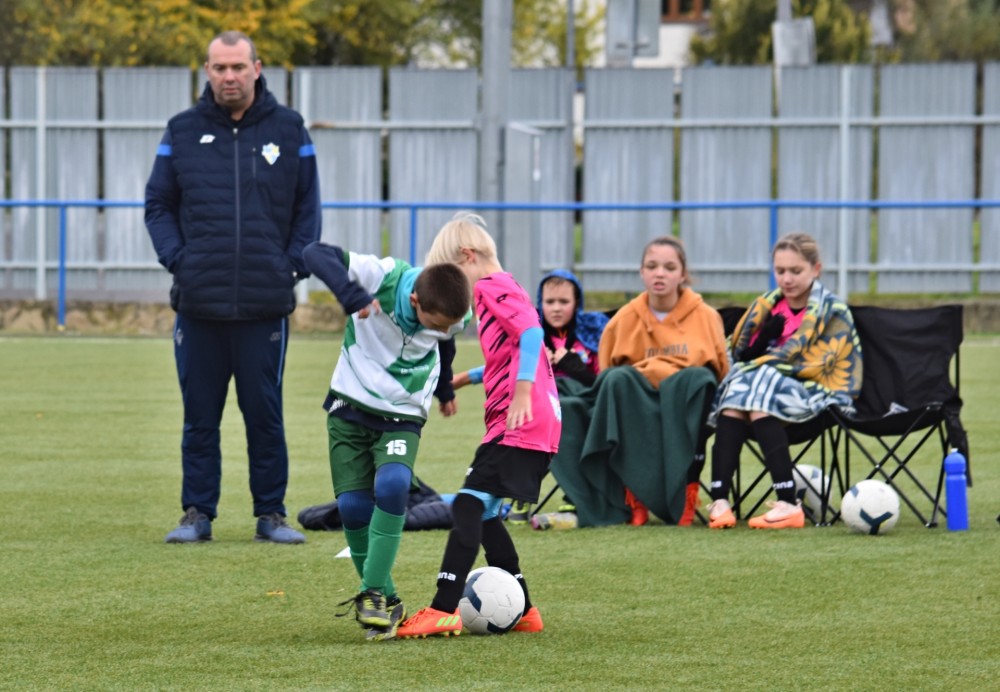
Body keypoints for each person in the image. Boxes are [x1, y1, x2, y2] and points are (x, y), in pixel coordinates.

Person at [145, 31, 320, 544]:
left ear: (257, 68)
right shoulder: (181, 130)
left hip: (265, 305)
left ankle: (271, 514)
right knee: (199, 417)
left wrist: (289, 267)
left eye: (238, 67)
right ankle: (197, 513)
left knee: (265, 414)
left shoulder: (289, 128)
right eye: (219, 67)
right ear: (207, 71)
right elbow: (158, 205)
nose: (229, 76)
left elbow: (308, 208)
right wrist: (180, 261)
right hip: (199, 303)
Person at [396, 212, 560, 638]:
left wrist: (521, 391)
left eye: (452, 273)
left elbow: (532, 337)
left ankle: (442, 608)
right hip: (538, 425)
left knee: (467, 506)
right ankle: (525, 609)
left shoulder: (490, 287)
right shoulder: (508, 287)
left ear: (467, 256)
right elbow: (508, 355)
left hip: (519, 421)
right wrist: (464, 379)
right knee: (484, 513)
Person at [302, 241, 471, 641]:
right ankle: (389, 600)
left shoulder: (454, 315)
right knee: (352, 507)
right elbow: (314, 253)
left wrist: (445, 388)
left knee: (393, 485)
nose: (442, 331)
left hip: (403, 412)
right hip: (349, 404)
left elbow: (446, 342)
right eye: (435, 323)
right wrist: (352, 296)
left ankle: (372, 593)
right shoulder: (384, 276)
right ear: (414, 301)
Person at [548, 236, 729, 528]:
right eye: (652, 266)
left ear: (682, 274)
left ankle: (687, 492)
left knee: (699, 379)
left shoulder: (706, 316)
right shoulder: (624, 319)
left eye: (669, 267)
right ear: (641, 272)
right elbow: (606, 373)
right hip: (633, 402)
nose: (660, 273)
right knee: (618, 380)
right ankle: (633, 497)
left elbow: (719, 368)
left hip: (684, 402)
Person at [706, 232, 863, 530]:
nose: (787, 279)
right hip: (758, 393)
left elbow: (831, 364)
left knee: (757, 387)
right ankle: (720, 501)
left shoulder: (833, 311)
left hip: (814, 391)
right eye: (780, 271)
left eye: (795, 271)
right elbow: (742, 355)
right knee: (738, 394)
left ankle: (789, 503)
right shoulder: (766, 306)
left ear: (815, 269)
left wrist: (767, 367)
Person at [452, 269, 609, 522]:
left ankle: (574, 495)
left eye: (564, 302)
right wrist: (464, 378)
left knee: (566, 409)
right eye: (549, 302)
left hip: (582, 406)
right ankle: (516, 491)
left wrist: (572, 365)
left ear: (577, 303)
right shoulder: (531, 329)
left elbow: (602, 381)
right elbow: (504, 364)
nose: (556, 308)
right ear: (539, 303)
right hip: (538, 406)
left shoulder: (588, 338)